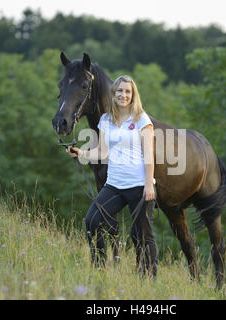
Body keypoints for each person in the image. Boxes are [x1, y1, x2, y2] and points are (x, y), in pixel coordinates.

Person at [66, 75, 158, 277]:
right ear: (114, 93)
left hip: (139, 185)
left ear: (133, 95)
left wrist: (149, 184)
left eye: (127, 91)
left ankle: (149, 280)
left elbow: (149, 155)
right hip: (115, 185)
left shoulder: (142, 119)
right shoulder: (106, 120)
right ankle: (99, 269)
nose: (123, 95)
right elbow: (103, 152)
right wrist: (81, 153)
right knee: (92, 221)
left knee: (142, 236)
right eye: (120, 91)